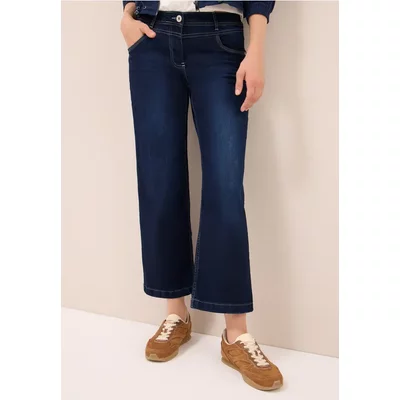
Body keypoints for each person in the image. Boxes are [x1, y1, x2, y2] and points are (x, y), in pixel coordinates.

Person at [120, 0, 283, 391]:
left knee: (226, 185)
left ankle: (235, 334)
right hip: (152, 37)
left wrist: (257, 46)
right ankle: (175, 313)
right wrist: (127, 14)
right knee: (159, 179)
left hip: (220, 37)